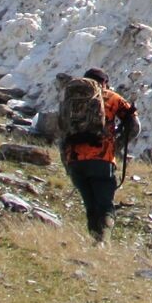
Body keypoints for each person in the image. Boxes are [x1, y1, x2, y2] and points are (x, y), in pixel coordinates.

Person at [59, 67, 138, 242]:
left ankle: (94, 241)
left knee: (90, 205)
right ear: (104, 83)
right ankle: (103, 242)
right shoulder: (112, 97)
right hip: (102, 159)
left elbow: (62, 131)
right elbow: (134, 125)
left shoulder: (70, 98)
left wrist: (66, 162)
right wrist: (116, 145)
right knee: (105, 205)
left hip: (75, 160)